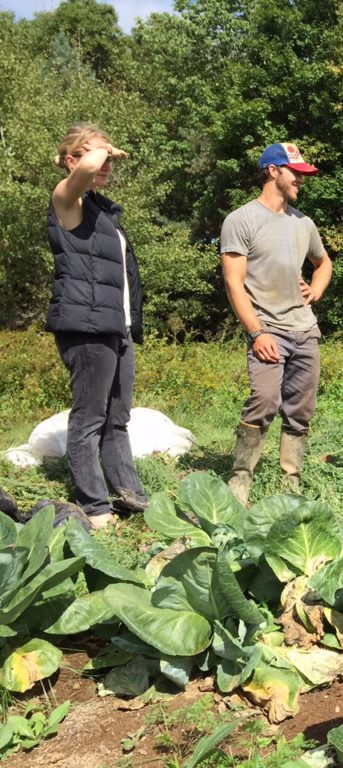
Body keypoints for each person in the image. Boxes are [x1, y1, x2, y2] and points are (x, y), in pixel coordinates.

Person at [46, 123, 148, 530]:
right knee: (89, 418)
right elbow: (87, 167)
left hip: (114, 327)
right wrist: (104, 149)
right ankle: (94, 506)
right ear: (72, 161)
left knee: (117, 418)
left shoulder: (101, 210)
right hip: (86, 328)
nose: (107, 163)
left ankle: (130, 496)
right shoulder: (65, 200)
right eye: (97, 155)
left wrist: (127, 324)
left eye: (108, 156)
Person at [221, 142, 332, 504]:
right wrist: (256, 332)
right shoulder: (241, 220)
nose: (301, 179)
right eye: (295, 172)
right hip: (267, 327)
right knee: (265, 400)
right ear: (273, 171)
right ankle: (240, 481)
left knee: (301, 410)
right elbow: (234, 283)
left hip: (304, 330)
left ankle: (290, 484)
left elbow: (324, 262)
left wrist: (315, 289)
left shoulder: (304, 223)